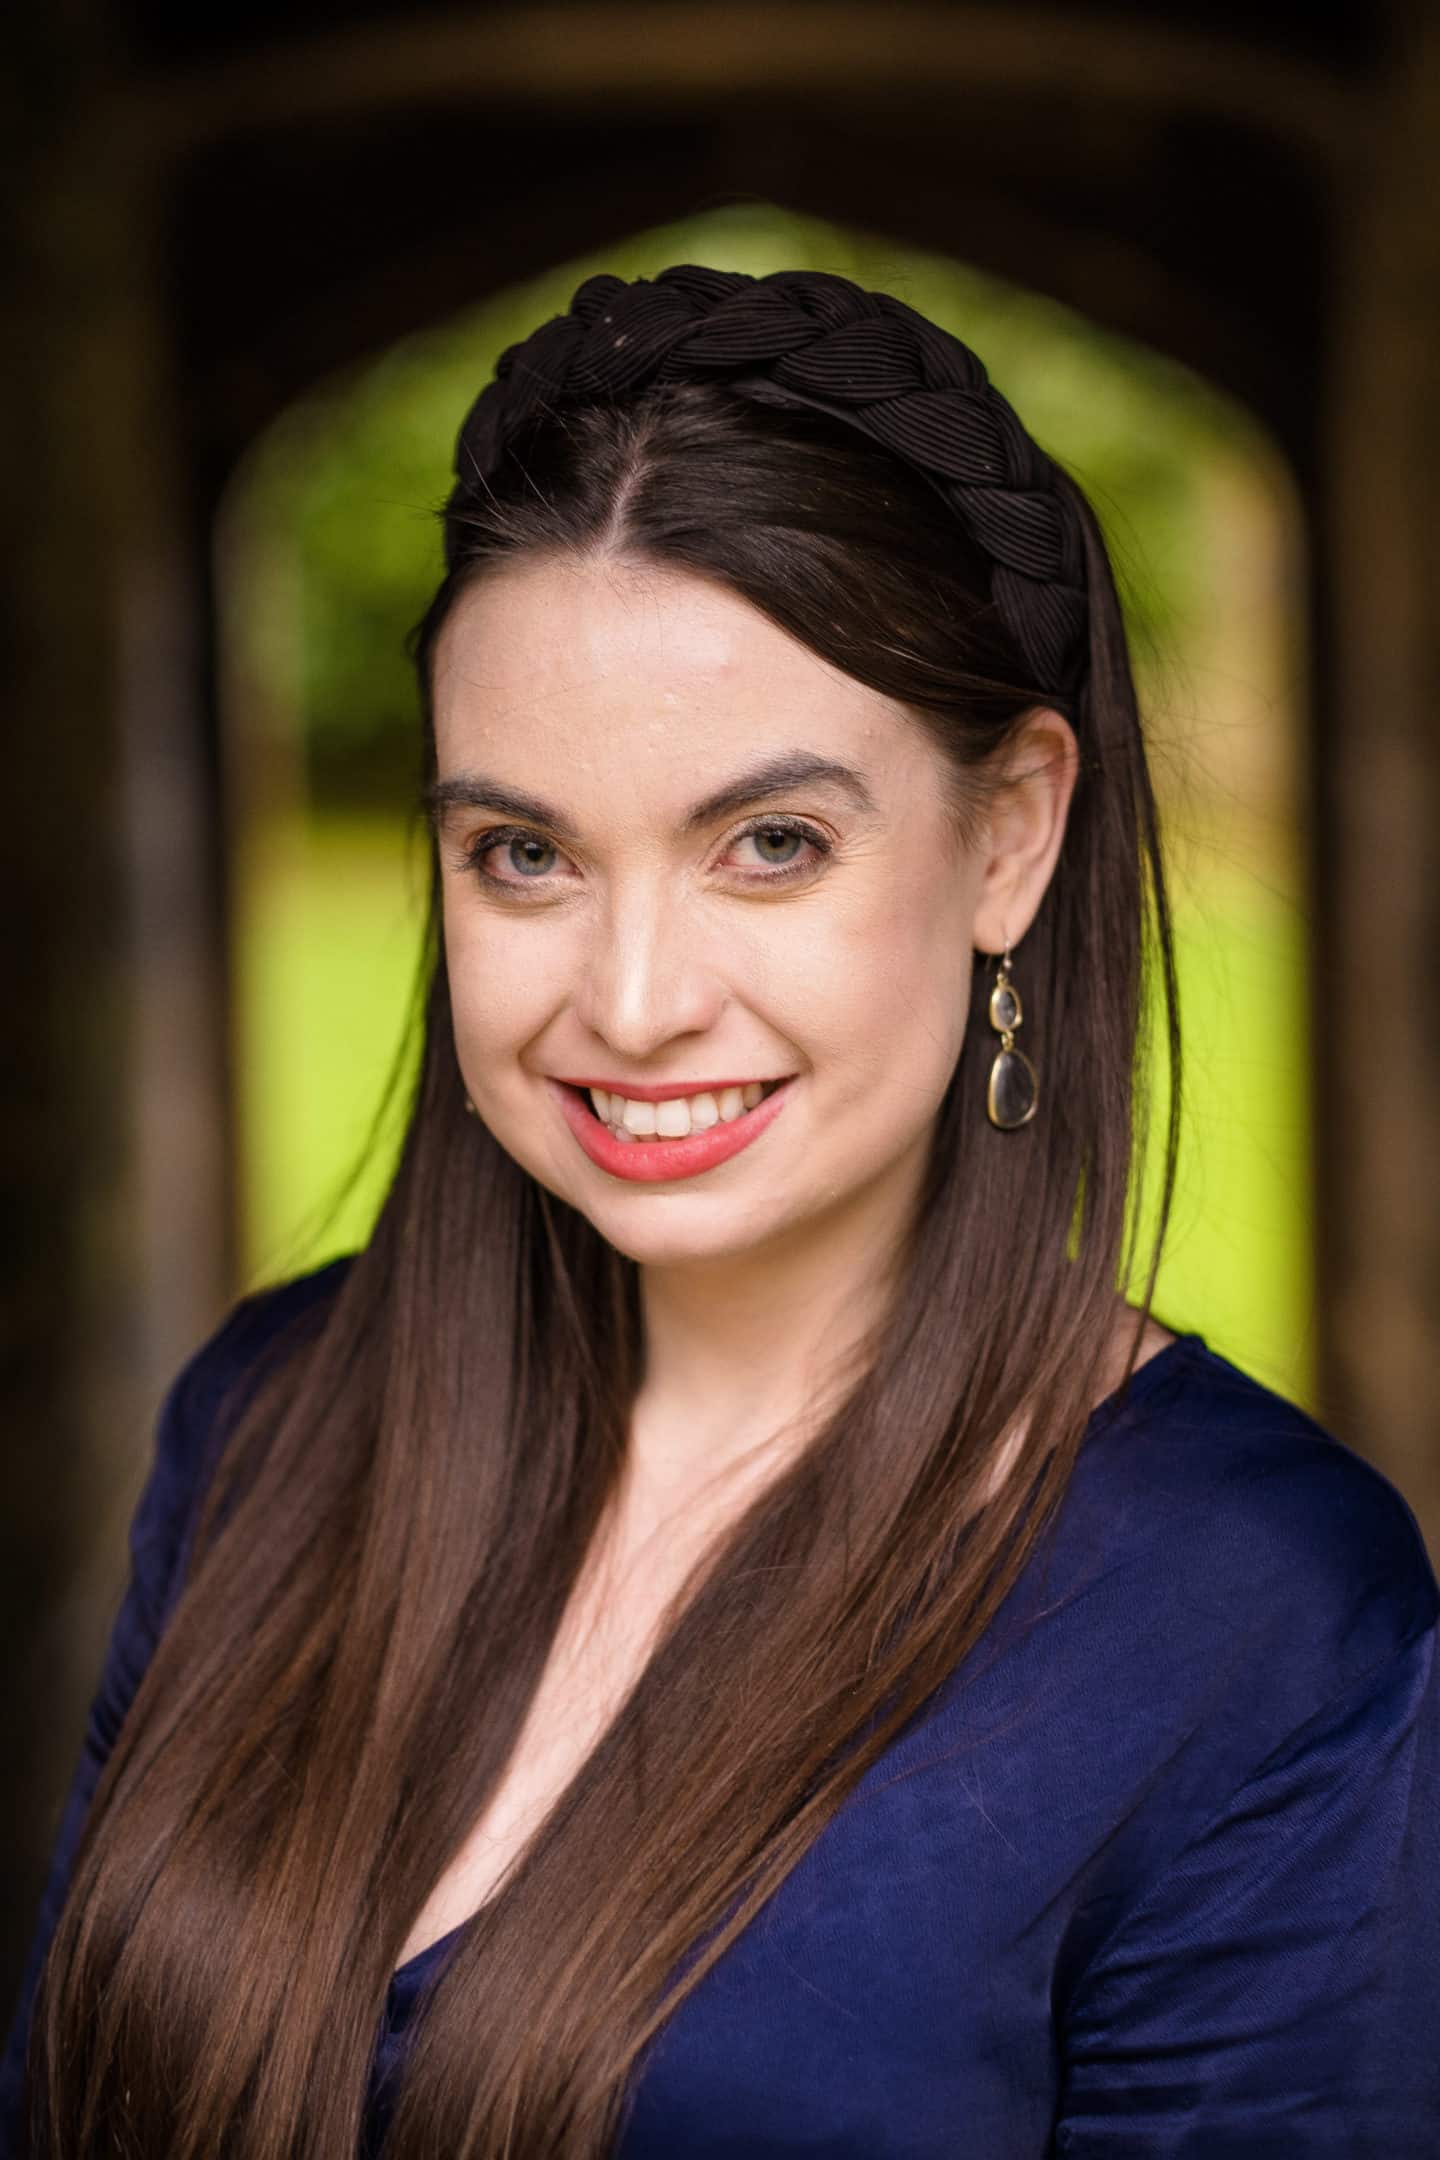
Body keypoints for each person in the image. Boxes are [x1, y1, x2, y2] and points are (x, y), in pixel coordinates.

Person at [4, 262, 1437, 2159]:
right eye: (524, 855)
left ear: (1008, 833)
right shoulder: (271, 1414)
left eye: (771, 844)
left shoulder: (1256, 1615)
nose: (632, 997)